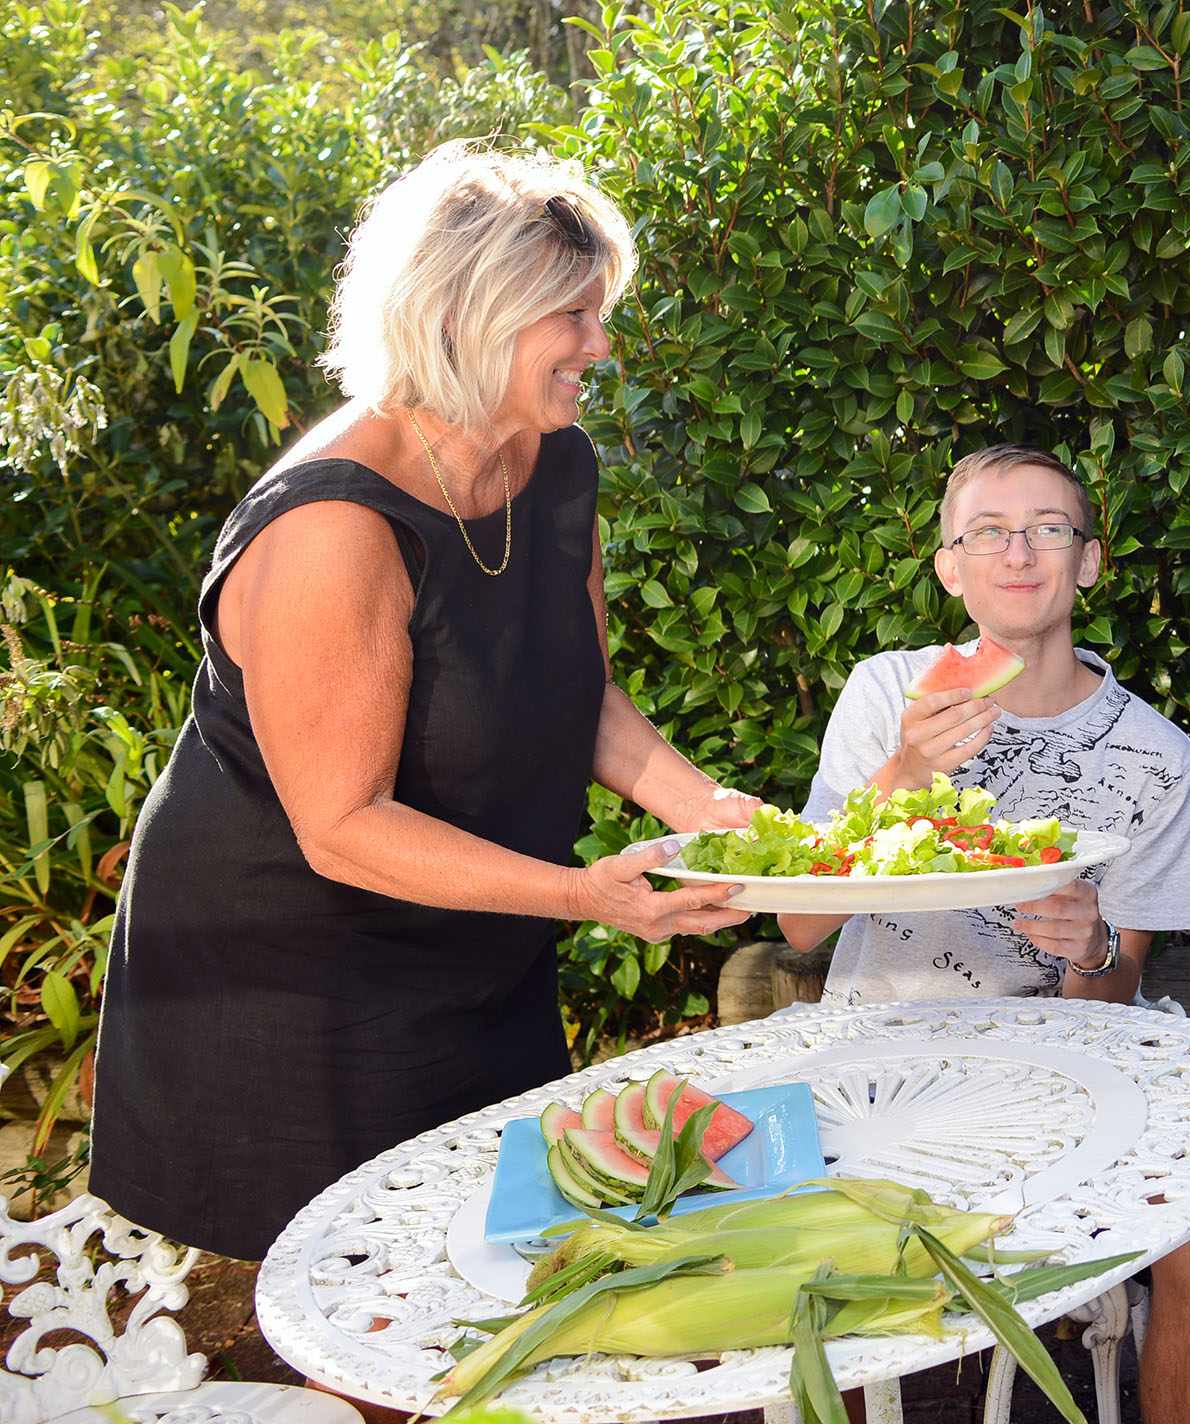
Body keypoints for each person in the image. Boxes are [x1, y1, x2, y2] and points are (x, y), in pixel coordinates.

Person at [93, 147, 756, 1262]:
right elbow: (341, 822)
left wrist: (713, 808)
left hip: (477, 938)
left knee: (504, 1265)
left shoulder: (553, 463)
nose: (605, 345)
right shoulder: (333, 526)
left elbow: (571, 690)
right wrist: (585, 894)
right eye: (576, 316)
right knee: (378, 1295)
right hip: (300, 976)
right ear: (468, 314)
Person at [778, 444, 1190, 1424]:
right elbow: (800, 919)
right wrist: (902, 775)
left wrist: (1091, 944)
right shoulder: (887, 693)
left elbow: (1111, 991)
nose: (1019, 552)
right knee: (817, 1259)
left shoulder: (1157, 755)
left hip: (1068, 1068)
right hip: (884, 1054)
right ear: (949, 565)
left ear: (1089, 560)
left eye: (1048, 527)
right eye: (987, 530)